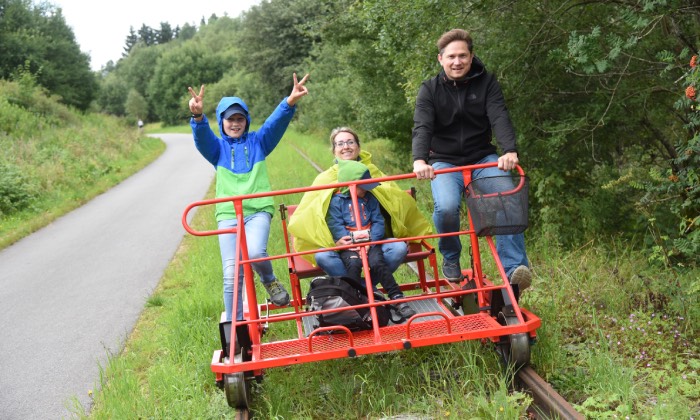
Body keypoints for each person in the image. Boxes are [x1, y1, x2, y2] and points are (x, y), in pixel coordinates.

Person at [412, 29, 532, 291]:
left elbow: (498, 116)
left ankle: (513, 270)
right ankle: (452, 257)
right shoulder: (429, 90)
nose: (458, 62)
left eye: (463, 56)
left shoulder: (486, 82)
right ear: (440, 59)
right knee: (445, 206)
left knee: (508, 196)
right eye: (452, 56)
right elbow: (423, 127)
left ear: (471, 56)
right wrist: (420, 160)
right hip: (444, 160)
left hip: (482, 158)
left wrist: (509, 151)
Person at [187, 73, 309, 322]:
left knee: (254, 253)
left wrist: (289, 102)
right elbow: (202, 138)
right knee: (232, 273)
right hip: (228, 215)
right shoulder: (217, 149)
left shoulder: (259, 143)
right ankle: (236, 328)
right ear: (221, 122)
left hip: (257, 210)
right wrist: (198, 117)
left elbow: (274, 125)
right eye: (230, 119)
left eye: (240, 118)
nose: (235, 123)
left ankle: (269, 280)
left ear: (246, 121)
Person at [288, 127, 432, 277]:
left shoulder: (372, 172)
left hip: (375, 241)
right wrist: (335, 243)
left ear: (358, 146)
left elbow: (395, 199)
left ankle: (363, 289)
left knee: (398, 249)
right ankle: (361, 290)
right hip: (341, 245)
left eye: (350, 142)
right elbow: (310, 214)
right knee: (323, 256)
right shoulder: (325, 178)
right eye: (340, 143)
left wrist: (375, 240)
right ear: (334, 150)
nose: (346, 147)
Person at [326, 159, 416, 319]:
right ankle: (355, 303)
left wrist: (371, 241)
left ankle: (397, 297)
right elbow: (335, 224)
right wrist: (348, 242)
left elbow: (378, 221)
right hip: (350, 246)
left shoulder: (370, 199)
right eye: (363, 187)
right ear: (350, 186)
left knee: (377, 262)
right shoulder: (336, 202)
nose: (366, 190)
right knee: (353, 265)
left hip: (371, 243)